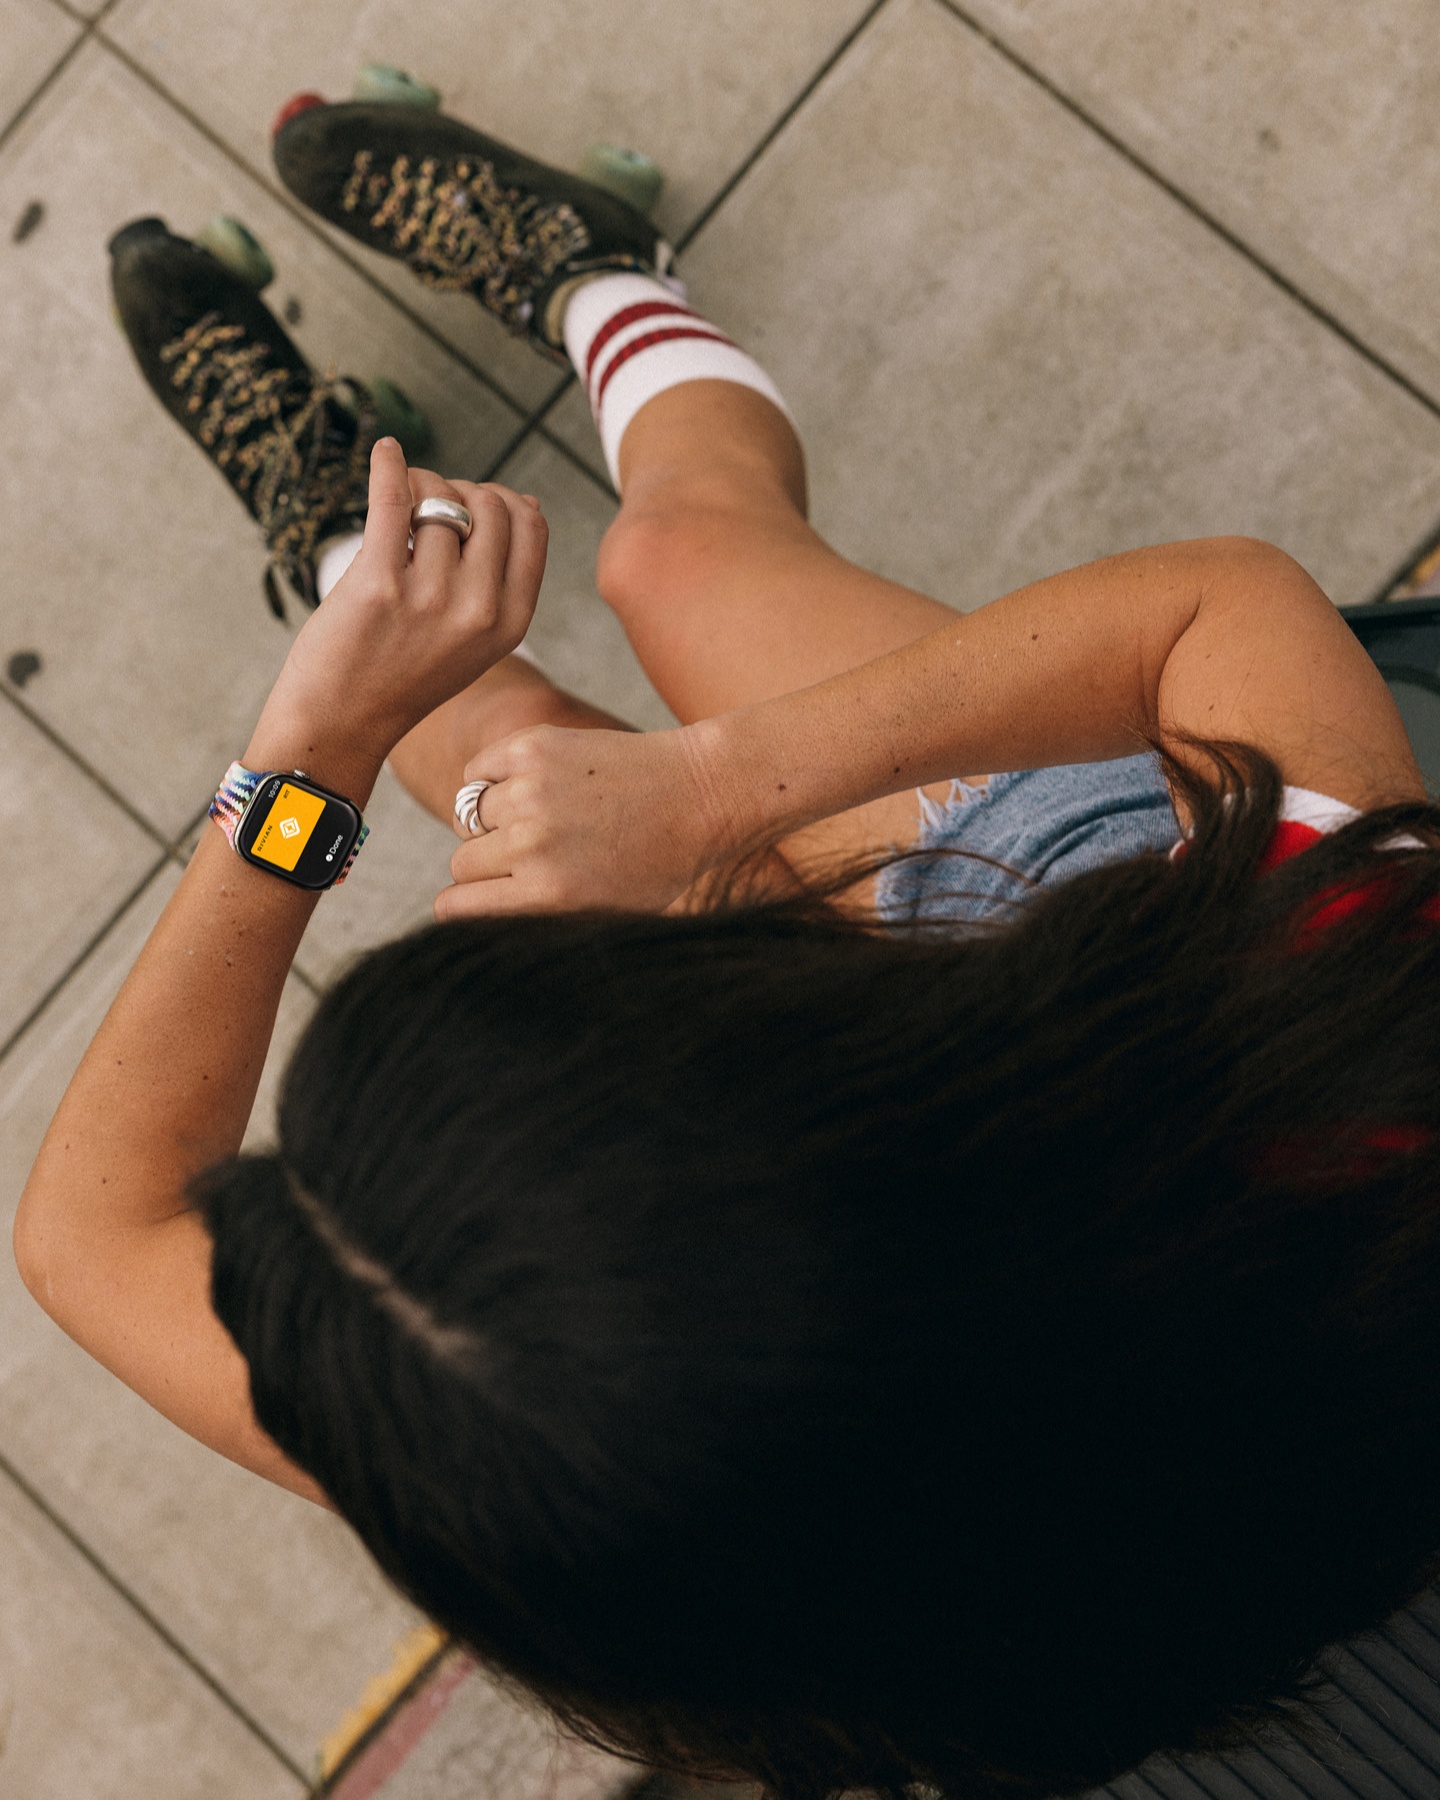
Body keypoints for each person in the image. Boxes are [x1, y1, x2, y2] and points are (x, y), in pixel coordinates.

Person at [17, 89, 1440, 1800]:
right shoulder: (1345, 1052)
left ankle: (349, 550)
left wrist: (310, 751)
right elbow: (1224, 605)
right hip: (1145, 1042)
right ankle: (599, 285)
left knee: (495, 760)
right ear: (837, 1039)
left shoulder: (526, 1459)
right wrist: (703, 790)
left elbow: (91, 1232)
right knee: (680, 559)